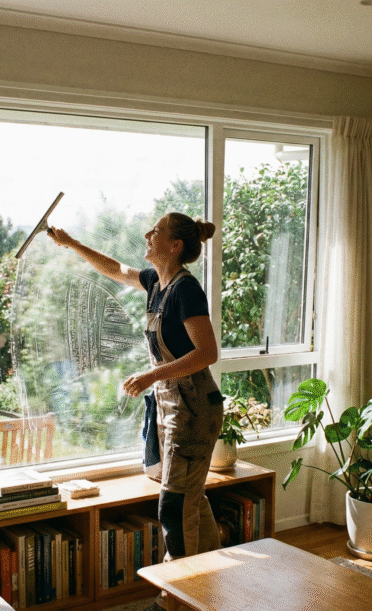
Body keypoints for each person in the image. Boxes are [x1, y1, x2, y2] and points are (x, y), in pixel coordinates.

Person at [47, 212, 224, 610]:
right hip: (175, 407)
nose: (148, 234)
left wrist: (150, 376)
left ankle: (173, 599)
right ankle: (212, 583)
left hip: (194, 410)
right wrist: (72, 243)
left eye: (156, 231)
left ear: (175, 245)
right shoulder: (156, 284)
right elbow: (115, 269)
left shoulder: (186, 291)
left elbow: (207, 353)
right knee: (190, 498)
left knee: (174, 506)